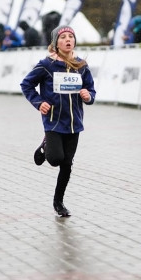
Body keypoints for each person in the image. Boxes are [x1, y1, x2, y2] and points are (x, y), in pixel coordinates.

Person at [20, 25, 96, 219]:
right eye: (63, 37)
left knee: (67, 164)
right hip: (53, 121)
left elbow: (91, 90)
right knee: (55, 159)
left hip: (74, 123)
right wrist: (39, 103)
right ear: (56, 43)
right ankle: (46, 144)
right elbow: (26, 84)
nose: (68, 40)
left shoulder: (81, 65)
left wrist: (88, 96)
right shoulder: (47, 64)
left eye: (71, 36)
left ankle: (59, 202)